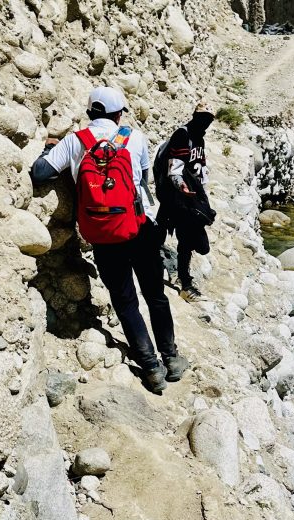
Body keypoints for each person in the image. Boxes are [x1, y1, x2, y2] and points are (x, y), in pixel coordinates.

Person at [30, 87, 188, 394]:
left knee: (125, 299)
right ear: (119, 114)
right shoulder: (135, 138)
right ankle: (171, 358)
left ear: (90, 113)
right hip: (139, 226)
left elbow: (39, 173)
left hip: (103, 234)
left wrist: (49, 149)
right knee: (155, 295)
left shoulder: (76, 141)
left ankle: (151, 368)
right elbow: (142, 182)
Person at [155, 101, 217, 302]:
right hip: (178, 196)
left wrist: (201, 194)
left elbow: (200, 167)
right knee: (184, 238)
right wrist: (183, 188)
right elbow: (175, 168)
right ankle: (185, 283)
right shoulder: (183, 135)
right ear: (195, 116)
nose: (205, 122)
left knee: (191, 240)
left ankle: (178, 276)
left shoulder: (199, 138)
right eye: (202, 118)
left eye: (209, 119)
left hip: (190, 196)